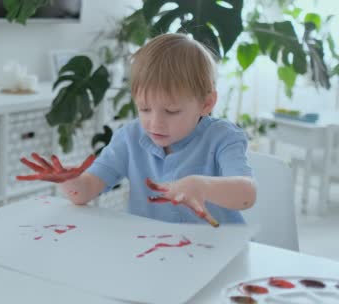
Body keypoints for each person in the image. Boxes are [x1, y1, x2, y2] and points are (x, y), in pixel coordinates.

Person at [17, 33, 257, 227]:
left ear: (206, 104)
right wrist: (70, 181)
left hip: (216, 252)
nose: (155, 123)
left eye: (172, 111)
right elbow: (85, 192)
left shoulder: (223, 138)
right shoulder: (129, 137)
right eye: (144, 108)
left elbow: (247, 194)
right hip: (152, 252)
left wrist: (202, 186)